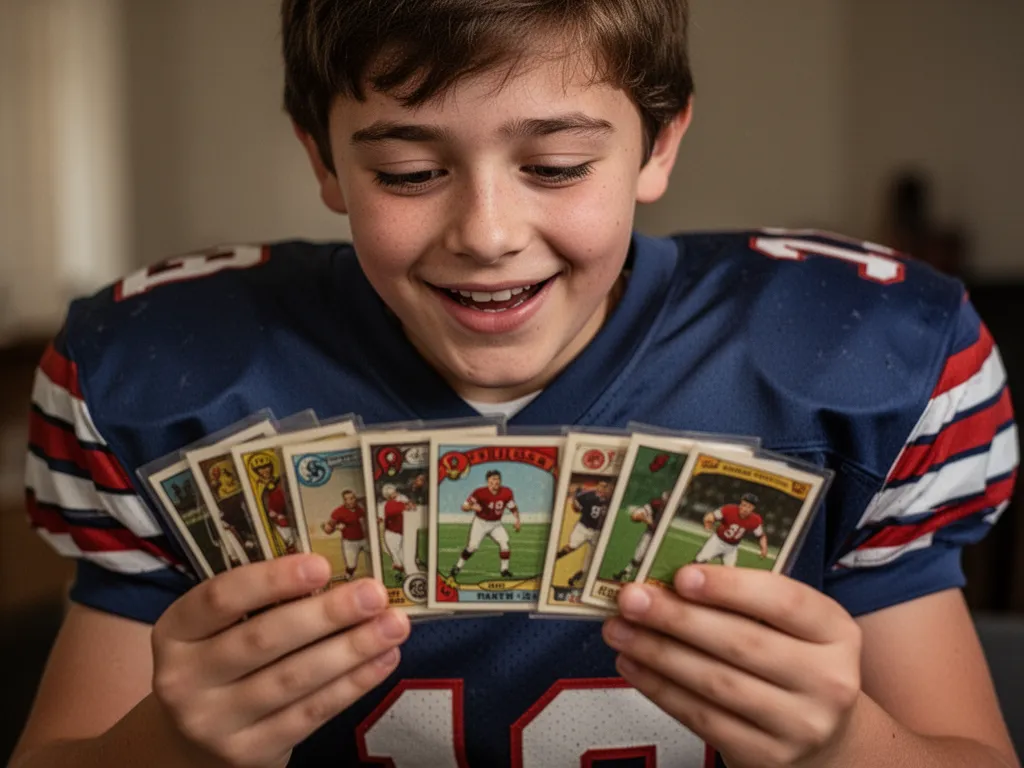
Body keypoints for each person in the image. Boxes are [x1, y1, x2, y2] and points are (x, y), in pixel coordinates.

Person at [11, 1, 1019, 766]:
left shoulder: (861, 355)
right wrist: (169, 745)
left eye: (557, 164)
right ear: (322, 158)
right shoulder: (153, 368)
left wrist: (844, 742)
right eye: (409, 172)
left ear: (657, 143)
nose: (487, 235)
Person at [450, 470, 519, 579]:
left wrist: (517, 520)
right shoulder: (479, 492)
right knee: (472, 547)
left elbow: (513, 508)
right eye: (493, 479)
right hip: (480, 523)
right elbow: (464, 506)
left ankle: (504, 570)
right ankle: (458, 566)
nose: (496, 481)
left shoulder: (507, 492)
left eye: (498, 479)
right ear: (488, 481)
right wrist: (473, 507)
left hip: (496, 524)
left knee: (505, 545)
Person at [555, 480, 612, 588]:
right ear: (598, 486)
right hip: (583, 527)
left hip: (598, 532)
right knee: (571, 547)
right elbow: (576, 506)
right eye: (602, 486)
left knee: (591, 560)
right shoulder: (588, 496)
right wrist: (575, 502)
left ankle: (575, 579)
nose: (604, 489)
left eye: (606, 486)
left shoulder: (611, 499)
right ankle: (554, 558)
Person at [695, 492, 769, 567]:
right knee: (699, 562)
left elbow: (761, 536)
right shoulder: (729, 509)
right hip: (717, 541)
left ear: (753, 509)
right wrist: (708, 522)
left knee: (730, 571)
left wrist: (764, 548)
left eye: (749, 507)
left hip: (732, 548)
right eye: (744, 505)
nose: (745, 509)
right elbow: (711, 516)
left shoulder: (755, 520)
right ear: (740, 504)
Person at [322, 490, 371, 581]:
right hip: (350, 542)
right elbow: (327, 529)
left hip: (365, 540)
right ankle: (348, 579)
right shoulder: (338, 512)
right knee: (351, 565)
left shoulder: (360, 508)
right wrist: (336, 527)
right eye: (346, 499)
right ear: (343, 500)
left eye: (351, 498)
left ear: (355, 499)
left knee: (377, 554)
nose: (349, 501)